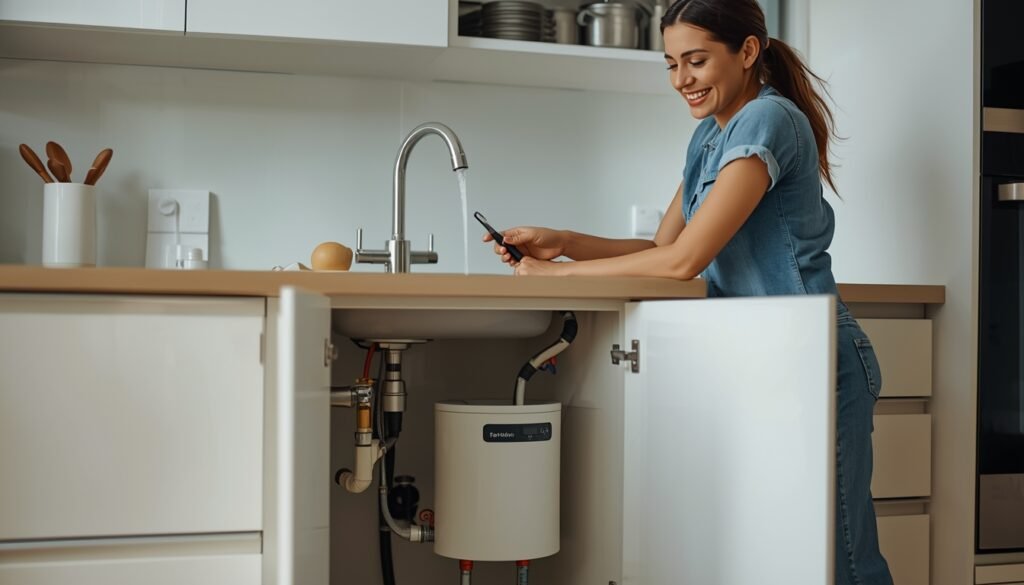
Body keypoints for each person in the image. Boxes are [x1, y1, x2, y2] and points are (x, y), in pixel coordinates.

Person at [483, 0, 893, 583]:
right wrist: (564, 242)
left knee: (843, 563)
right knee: (774, 560)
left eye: (696, 61)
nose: (682, 80)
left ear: (748, 52)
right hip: (759, 363)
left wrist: (555, 278)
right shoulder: (709, 137)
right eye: (671, 64)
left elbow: (683, 262)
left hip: (815, 363)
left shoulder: (766, 120)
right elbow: (661, 248)